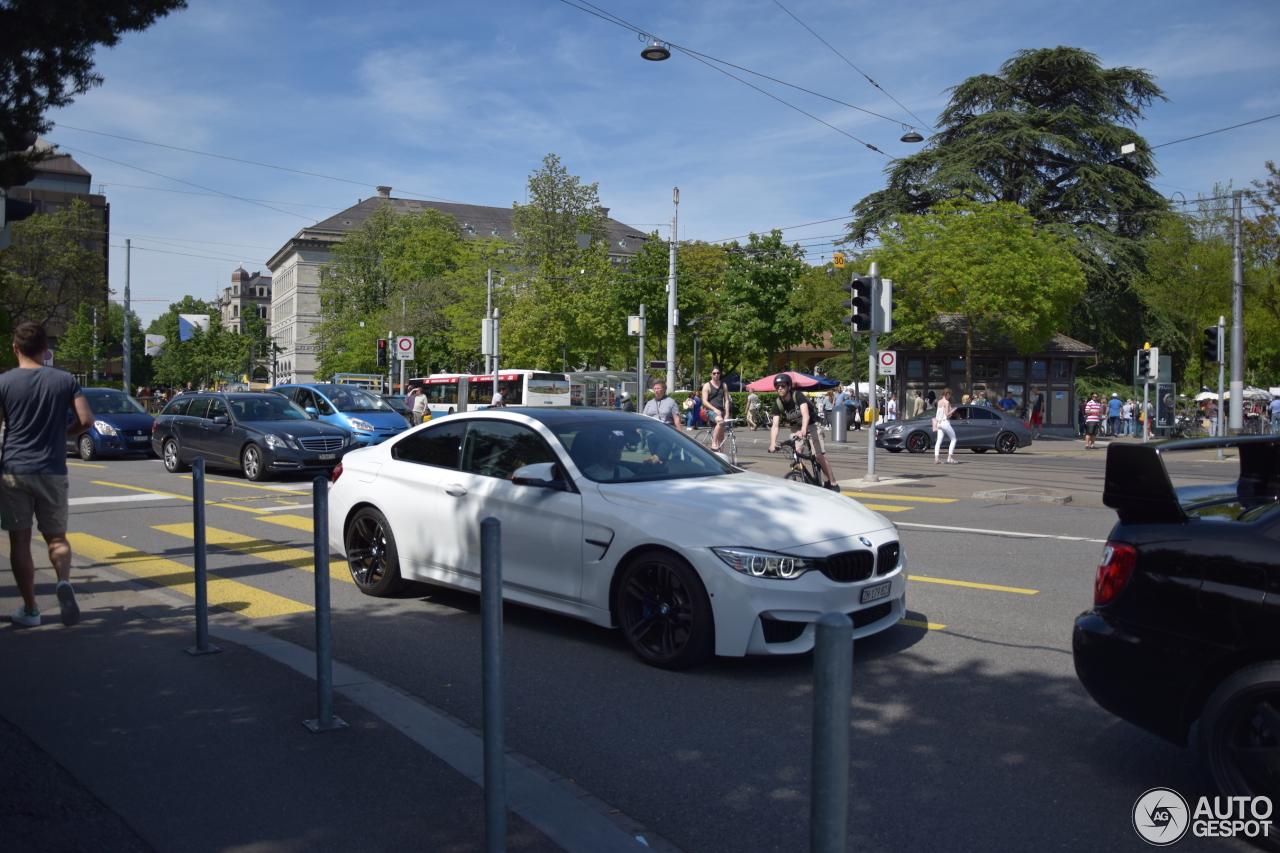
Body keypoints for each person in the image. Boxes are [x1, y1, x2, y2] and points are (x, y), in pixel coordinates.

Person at [2, 323, 95, 627]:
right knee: (56, 537)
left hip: (15, 470)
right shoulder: (64, 380)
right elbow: (86, 420)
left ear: (15, 349)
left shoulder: (4, 383)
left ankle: (30, 610)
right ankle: (63, 582)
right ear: (46, 350)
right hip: (52, 469)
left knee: (20, 541)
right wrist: (62, 435)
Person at [768, 374, 839, 491]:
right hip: (796, 428)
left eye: (782, 386)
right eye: (777, 386)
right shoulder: (778, 403)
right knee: (797, 453)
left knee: (818, 455)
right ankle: (805, 479)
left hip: (811, 425)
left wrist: (804, 429)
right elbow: (775, 425)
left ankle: (833, 482)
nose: (779, 388)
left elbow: (805, 414)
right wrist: (773, 443)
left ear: (789, 386)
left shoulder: (798, 395)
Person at [701, 365, 732, 450]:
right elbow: (704, 401)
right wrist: (714, 409)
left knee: (721, 438)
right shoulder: (707, 385)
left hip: (720, 411)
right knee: (720, 422)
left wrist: (727, 413)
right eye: (714, 373)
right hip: (710, 411)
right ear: (711, 374)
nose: (716, 375)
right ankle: (713, 443)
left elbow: (726, 400)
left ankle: (720, 457)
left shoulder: (724, 385)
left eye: (718, 373)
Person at [933, 387, 958, 464]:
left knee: (939, 441)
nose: (950, 396)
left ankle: (936, 458)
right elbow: (947, 414)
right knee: (953, 439)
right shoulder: (946, 402)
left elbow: (939, 413)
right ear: (947, 394)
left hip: (939, 423)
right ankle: (950, 457)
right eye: (950, 394)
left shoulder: (939, 402)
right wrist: (953, 411)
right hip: (945, 422)